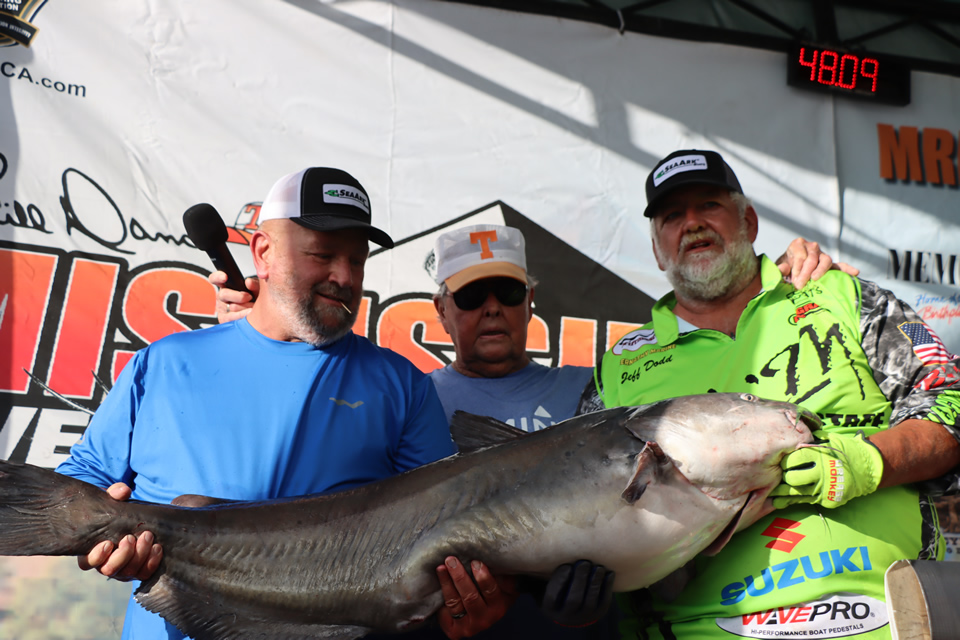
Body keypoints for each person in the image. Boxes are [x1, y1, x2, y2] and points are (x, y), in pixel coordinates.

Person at [56, 167, 457, 640]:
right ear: (263, 253)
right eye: (322, 254)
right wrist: (98, 536)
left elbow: (445, 526)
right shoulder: (164, 363)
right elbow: (82, 482)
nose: (345, 277)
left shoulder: (402, 384)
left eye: (356, 258)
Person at [581, 149, 960, 639]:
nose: (693, 224)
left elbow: (950, 405)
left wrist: (865, 463)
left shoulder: (842, 296)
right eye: (673, 216)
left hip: (895, 612)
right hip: (694, 628)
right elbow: (584, 507)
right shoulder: (618, 367)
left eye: (710, 206)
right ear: (657, 249)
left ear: (749, 222)